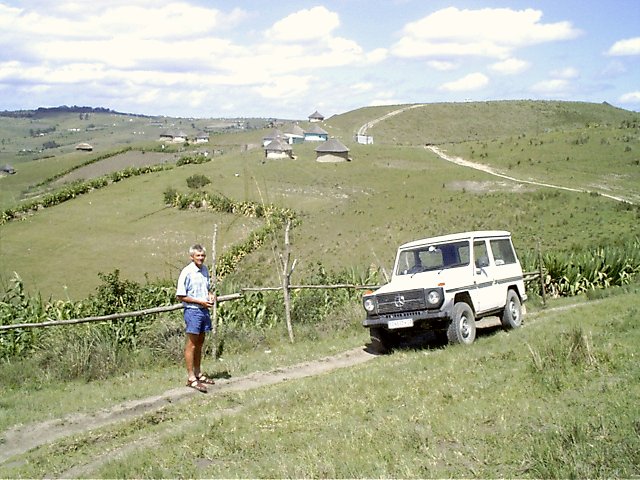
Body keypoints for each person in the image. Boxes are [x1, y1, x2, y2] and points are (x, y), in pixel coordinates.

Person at [176, 244, 216, 393]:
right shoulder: (187, 272)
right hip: (193, 311)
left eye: (202, 256)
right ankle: (191, 377)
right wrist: (200, 302)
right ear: (191, 257)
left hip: (204, 310)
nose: (200, 258)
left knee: (200, 342)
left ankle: (198, 373)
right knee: (192, 343)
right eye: (198, 256)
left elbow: (207, 288)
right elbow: (181, 295)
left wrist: (210, 295)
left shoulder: (205, 270)